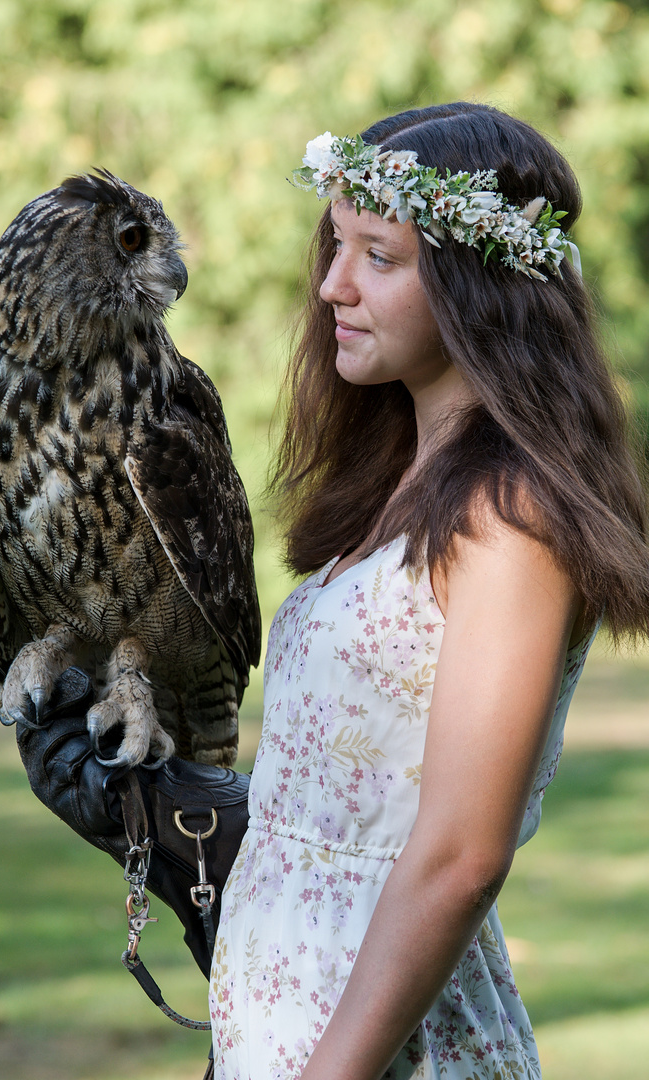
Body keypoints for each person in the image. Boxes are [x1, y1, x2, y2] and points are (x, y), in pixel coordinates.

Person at [207, 102, 649, 1079]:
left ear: (476, 281)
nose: (330, 285)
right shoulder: (400, 483)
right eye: (334, 247)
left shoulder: (509, 512)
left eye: (378, 256)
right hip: (284, 1027)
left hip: (384, 1048)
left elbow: (458, 856)